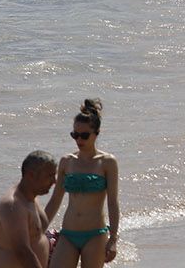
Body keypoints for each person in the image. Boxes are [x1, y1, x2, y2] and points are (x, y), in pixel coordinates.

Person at [43, 99, 120, 267]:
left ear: (97, 133)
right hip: (68, 234)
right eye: (75, 134)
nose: (79, 139)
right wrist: (38, 230)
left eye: (84, 135)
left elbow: (112, 202)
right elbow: (55, 200)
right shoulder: (67, 161)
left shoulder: (107, 162)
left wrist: (113, 239)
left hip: (95, 235)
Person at [0, 151, 58, 268]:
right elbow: (23, 252)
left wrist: (60, 191)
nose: (54, 181)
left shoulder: (30, 198)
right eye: (49, 176)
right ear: (31, 175)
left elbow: (40, 228)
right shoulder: (12, 206)